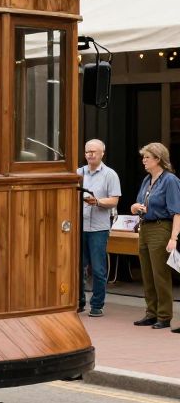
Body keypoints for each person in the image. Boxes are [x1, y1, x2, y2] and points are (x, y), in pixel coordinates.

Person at [129, 142, 180, 331]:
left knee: (160, 274)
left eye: (147, 157)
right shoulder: (147, 180)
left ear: (158, 159)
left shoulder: (170, 180)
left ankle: (164, 315)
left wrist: (173, 237)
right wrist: (135, 207)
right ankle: (151, 313)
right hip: (145, 227)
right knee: (147, 273)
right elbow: (141, 202)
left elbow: (177, 212)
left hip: (161, 228)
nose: (143, 160)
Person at [77, 139, 121, 317]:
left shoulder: (110, 174)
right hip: (80, 226)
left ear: (103, 153)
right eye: (88, 151)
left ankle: (97, 305)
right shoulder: (78, 173)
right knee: (78, 268)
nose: (90, 155)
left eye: (94, 152)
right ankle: (79, 301)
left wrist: (98, 202)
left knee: (98, 268)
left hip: (98, 229)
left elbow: (115, 200)